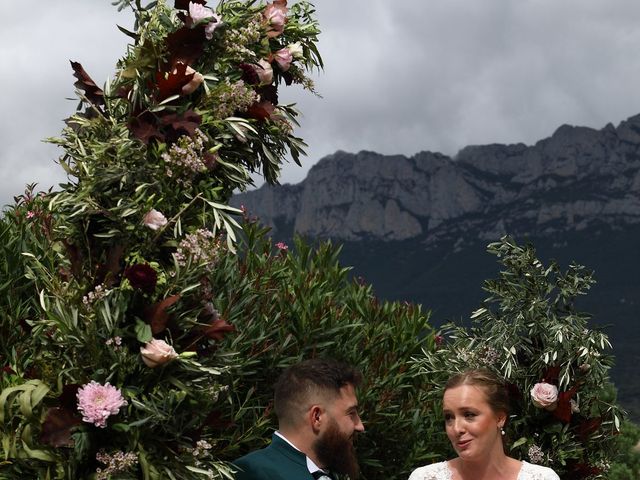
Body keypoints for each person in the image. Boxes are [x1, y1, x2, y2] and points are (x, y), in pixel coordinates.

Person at [409, 369, 559, 480]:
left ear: (500, 418)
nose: (456, 429)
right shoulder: (424, 477)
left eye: (469, 415)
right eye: (449, 417)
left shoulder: (542, 477)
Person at [233, 358, 365, 480]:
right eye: (351, 413)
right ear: (317, 417)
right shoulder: (252, 472)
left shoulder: (328, 474)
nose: (360, 426)